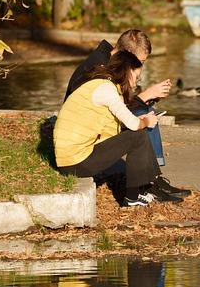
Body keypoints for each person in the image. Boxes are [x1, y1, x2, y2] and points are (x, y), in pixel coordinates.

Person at [64, 29, 190, 200]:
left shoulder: (107, 60)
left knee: (146, 112)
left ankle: (153, 179)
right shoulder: (99, 67)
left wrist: (145, 98)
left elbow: (113, 104)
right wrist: (145, 96)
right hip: (86, 132)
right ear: (128, 55)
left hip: (94, 123)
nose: (140, 67)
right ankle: (147, 184)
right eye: (140, 62)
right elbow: (107, 105)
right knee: (142, 117)